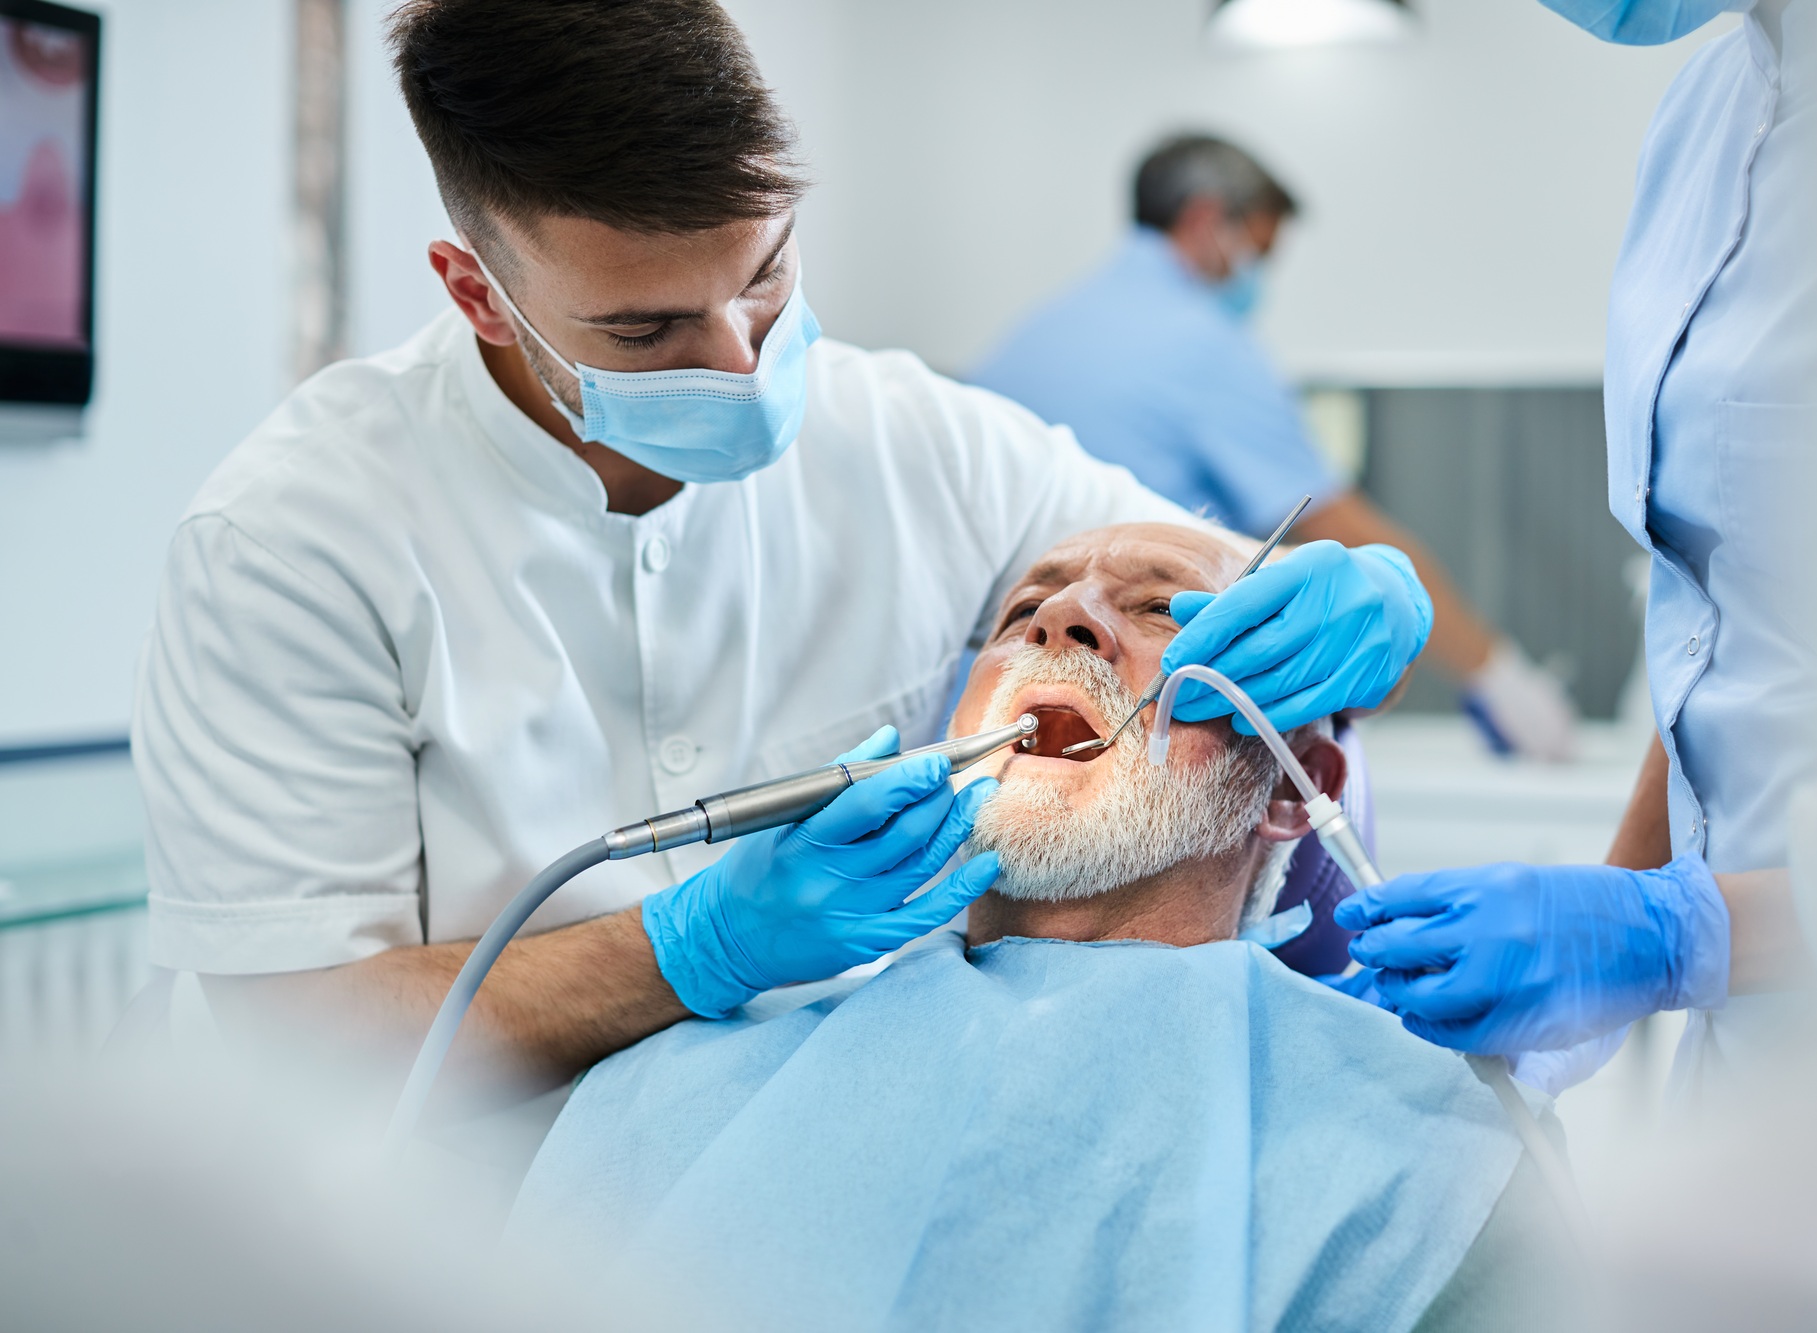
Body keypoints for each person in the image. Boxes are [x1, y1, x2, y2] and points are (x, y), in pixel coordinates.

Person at [130, 0, 1434, 1121]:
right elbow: (300, 1046)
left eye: (763, 281)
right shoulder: (291, 546)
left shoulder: (924, 443)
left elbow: (1180, 576)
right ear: (479, 292)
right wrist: (697, 947)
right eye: (646, 330)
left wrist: (1357, 595)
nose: (742, 364)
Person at [511, 523, 1570, 1333]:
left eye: (1162, 610)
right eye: (1025, 609)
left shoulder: (1416, 1159)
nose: (1059, 624)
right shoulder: (679, 1083)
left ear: (1297, 788)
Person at [1334, 0, 1817, 1097]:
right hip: (1750, 1062)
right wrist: (1618, 924)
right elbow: (1728, 610)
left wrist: (1669, 933)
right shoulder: (1705, 119)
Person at [973, 134, 1579, 760]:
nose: (1257, 276)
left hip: (1000, 698)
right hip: (1132, 713)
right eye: (1258, 250)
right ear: (1207, 220)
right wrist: (1498, 676)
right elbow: (1339, 524)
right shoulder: (1201, 343)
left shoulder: (1033, 335)